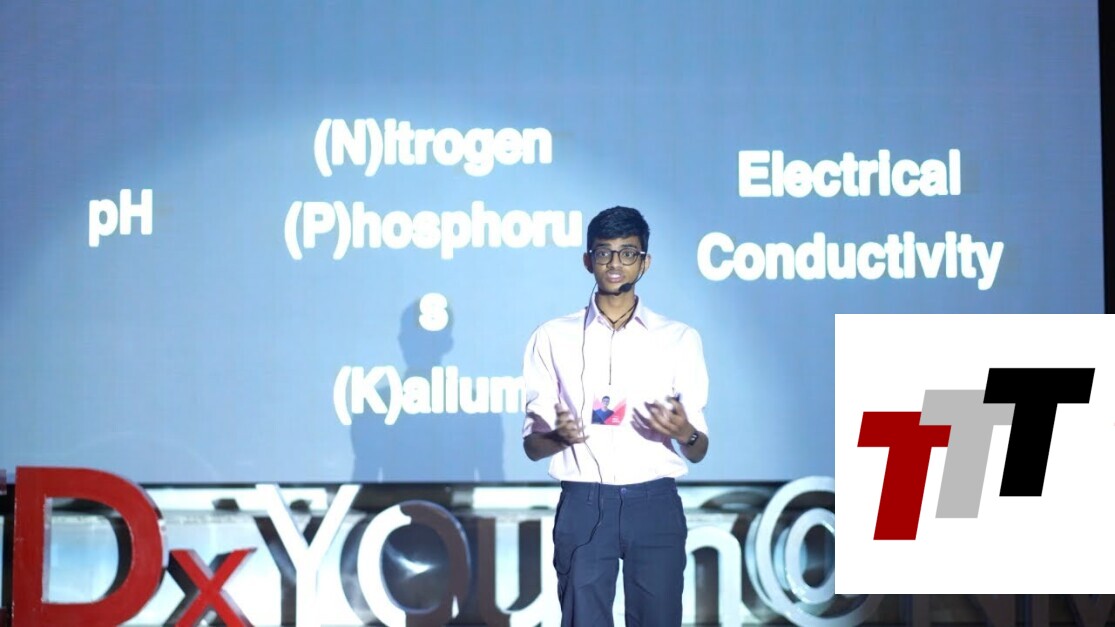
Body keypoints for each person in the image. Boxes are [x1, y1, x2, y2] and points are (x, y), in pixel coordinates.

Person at [521, 206, 710, 626]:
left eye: (628, 253)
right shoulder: (552, 337)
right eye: (604, 252)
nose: (614, 263)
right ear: (588, 260)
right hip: (584, 502)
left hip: (655, 503)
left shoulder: (678, 339)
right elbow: (532, 446)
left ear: (645, 262)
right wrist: (559, 437)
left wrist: (685, 432)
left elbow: (699, 449)